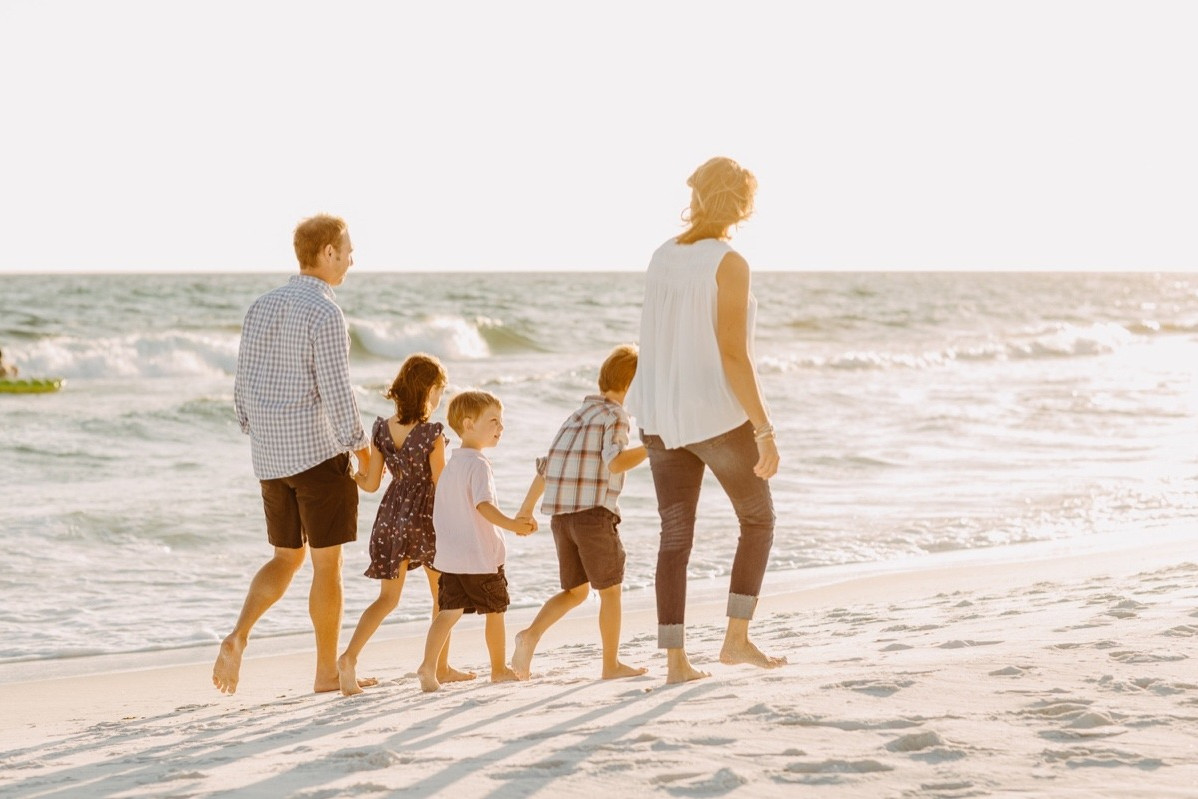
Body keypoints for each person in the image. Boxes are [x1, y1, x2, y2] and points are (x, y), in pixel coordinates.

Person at [625, 157, 786, 684]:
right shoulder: (729, 262)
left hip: (659, 414)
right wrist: (764, 429)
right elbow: (733, 355)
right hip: (713, 415)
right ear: (742, 203)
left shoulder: (660, 256)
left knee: (675, 538)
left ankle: (676, 662)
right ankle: (735, 639)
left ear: (695, 195)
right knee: (758, 519)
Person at [213, 213, 372, 695]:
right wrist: (360, 448)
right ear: (327, 252)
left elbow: (241, 384)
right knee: (327, 566)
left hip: (270, 456)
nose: (351, 258)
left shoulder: (259, 307)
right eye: (346, 250)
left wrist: (256, 430)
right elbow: (337, 390)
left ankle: (239, 635)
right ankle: (326, 673)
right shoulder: (326, 312)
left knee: (286, 557)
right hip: (317, 454)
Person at [336, 353, 476, 695]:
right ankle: (438, 666)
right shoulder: (432, 433)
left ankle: (349, 658)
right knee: (442, 594)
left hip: (392, 517)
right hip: (427, 518)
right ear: (428, 390)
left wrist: (350, 471)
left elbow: (370, 484)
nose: (440, 396)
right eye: (440, 390)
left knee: (387, 599)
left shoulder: (382, 428)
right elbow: (441, 484)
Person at [511, 344, 649, 680]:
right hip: (593, 515)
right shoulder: (617, 416)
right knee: (611, 590)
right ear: (632, 385)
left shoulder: (575, 416)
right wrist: (653, 448)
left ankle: (529, 636)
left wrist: (526, 510)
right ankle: (611, 664)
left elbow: (547, 467)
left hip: (561, 518)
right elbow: (614, 460)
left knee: (576, 591)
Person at [416, 390, 535, 692]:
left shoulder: (451, 465)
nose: (501, 427)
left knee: (448, 613)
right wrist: (511, 524)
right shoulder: (479, 464)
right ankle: (498, 669)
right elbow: (483, 505)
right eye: (493, 420)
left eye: (501, 421)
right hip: (482, 557)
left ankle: (428, 667)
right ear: (469, 425)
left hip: (451, 559)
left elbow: (441, 512)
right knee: (495, 612)